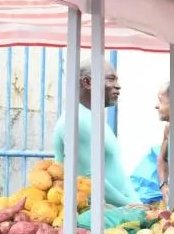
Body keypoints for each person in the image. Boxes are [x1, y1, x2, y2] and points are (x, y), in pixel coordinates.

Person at [53, 57, 140, 207]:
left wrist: (136, 203)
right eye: (111, 79)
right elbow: (90, 178)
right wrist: (130, 205)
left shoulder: (94, 118)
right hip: (91, 214)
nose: (118, 86)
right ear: (87, 82)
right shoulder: (77, 120)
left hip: (113, 210)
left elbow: (116, 166)